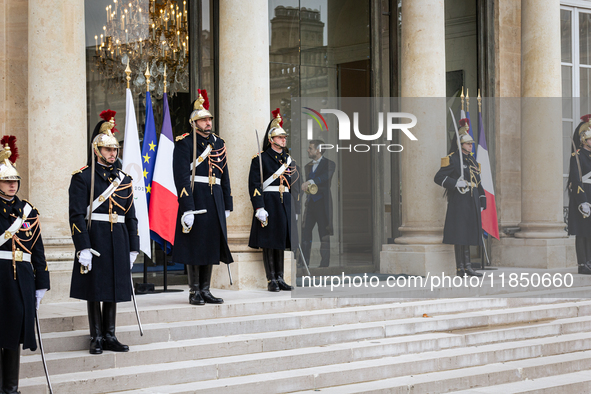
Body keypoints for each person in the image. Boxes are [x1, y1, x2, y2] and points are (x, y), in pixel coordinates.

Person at [69, 110, 139, 354]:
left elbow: (131, 215)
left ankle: (110, 334)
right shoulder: (83, 178)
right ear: (97, 150)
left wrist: (133, 246)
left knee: (113, 286)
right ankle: (96, 335)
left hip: (118, 236)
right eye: (108, 149)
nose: (112, 153)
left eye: (115, 150)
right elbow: (76, 215)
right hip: (95, 235)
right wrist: (82, 247)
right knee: (94, 288)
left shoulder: (124, 179)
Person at [172, 90, 233, 305]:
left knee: (210, 244)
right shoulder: (184, 143)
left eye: (209, 119)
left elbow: (224, 174)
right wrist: (186, 206)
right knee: (194, 245)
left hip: (214, 197)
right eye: (203, 119)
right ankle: (194, 291)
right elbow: (180, 177)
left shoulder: (219, 143)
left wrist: (227, 203)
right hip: (195, 197)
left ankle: (206, 289)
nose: (208, 122)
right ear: (193, 122)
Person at [0, 137, 49, 394]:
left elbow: (37, 250)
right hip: (1, 277)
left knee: (14, 332)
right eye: (7, 180)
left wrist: (42, 284)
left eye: (14, 180)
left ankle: (11, 388)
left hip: (23, 279)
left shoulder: (28, 211)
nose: (12, 185)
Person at [248, 109, 300, 291]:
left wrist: (296, 210)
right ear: (271, 140)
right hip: (269, 202)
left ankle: (280, 277)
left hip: (285, 203)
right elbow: (254, 185)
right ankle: (271, 280)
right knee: (269, 242)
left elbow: (295, 186)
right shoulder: (260, 159)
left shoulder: (289, 160)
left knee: (280, 242)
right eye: (279, 137)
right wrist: (259, 207)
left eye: (284, 137)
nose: (283, 140)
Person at [434, 118, 486, 277]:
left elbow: (478, 182)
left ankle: (468, 266)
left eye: (471, 143)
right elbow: (438, 177)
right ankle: (460, 268)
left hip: (472, 199)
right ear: (460, 144)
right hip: (460, 200)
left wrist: (482, 199)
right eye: (468, 143)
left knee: (469, 232)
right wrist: (455, 182)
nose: (471, 146)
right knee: (460, 233)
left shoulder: (472, 161)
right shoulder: (452, 159)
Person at [301, 139, 335, 268]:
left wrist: (310, 182)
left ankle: (324, 266)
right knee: (305, 235)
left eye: (310, 148)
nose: (308, 150)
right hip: (310, 204)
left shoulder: (330, 164)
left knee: (324, 235)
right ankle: (303, 263)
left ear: (318, 150)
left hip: (322, 204)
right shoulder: (307, 166)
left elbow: (325, 178)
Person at [568, 114, 591, 274]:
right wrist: (582, 201)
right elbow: (575, 180)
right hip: (582, 196)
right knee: (582, 231)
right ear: (584, 140)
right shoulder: (577, 156)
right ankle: (582, 264)